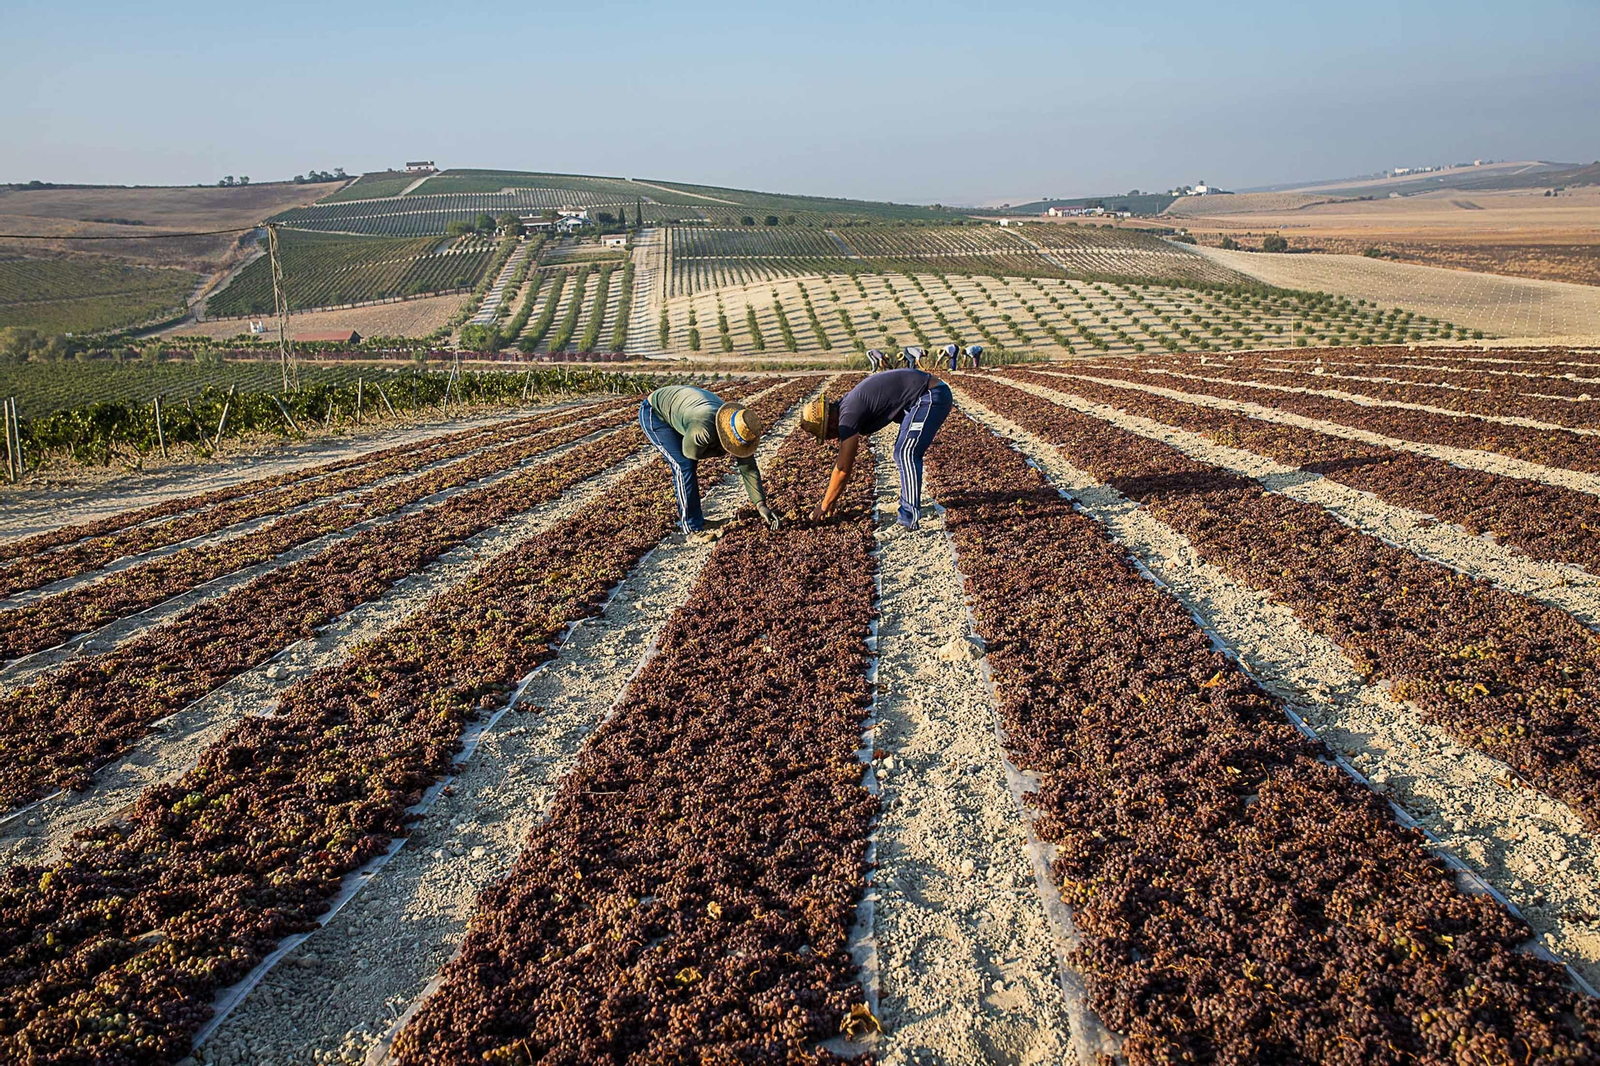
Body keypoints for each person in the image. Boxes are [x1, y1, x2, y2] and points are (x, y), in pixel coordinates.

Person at [800, 367, 952, 531]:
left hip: (930, 394)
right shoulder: (845, 407)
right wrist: (831, 500)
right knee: (904, 450)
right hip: (919, 397)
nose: (832, 439)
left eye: (827, 434)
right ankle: (907, 502)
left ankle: (908, 520)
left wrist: (824, 505)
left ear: (829, 423)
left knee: (905, 452)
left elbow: (843, 467)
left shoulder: (848, 415)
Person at [639, 385, 781, 535]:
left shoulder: (741, 427)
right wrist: (720, 451)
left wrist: (761, 505)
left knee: (687, 466)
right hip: (655, 413)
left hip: (685, 406)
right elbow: (689, 453)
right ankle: (691, 528)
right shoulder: (703, 430)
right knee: (684, 466)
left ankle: (698, 521)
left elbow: (749, 468)